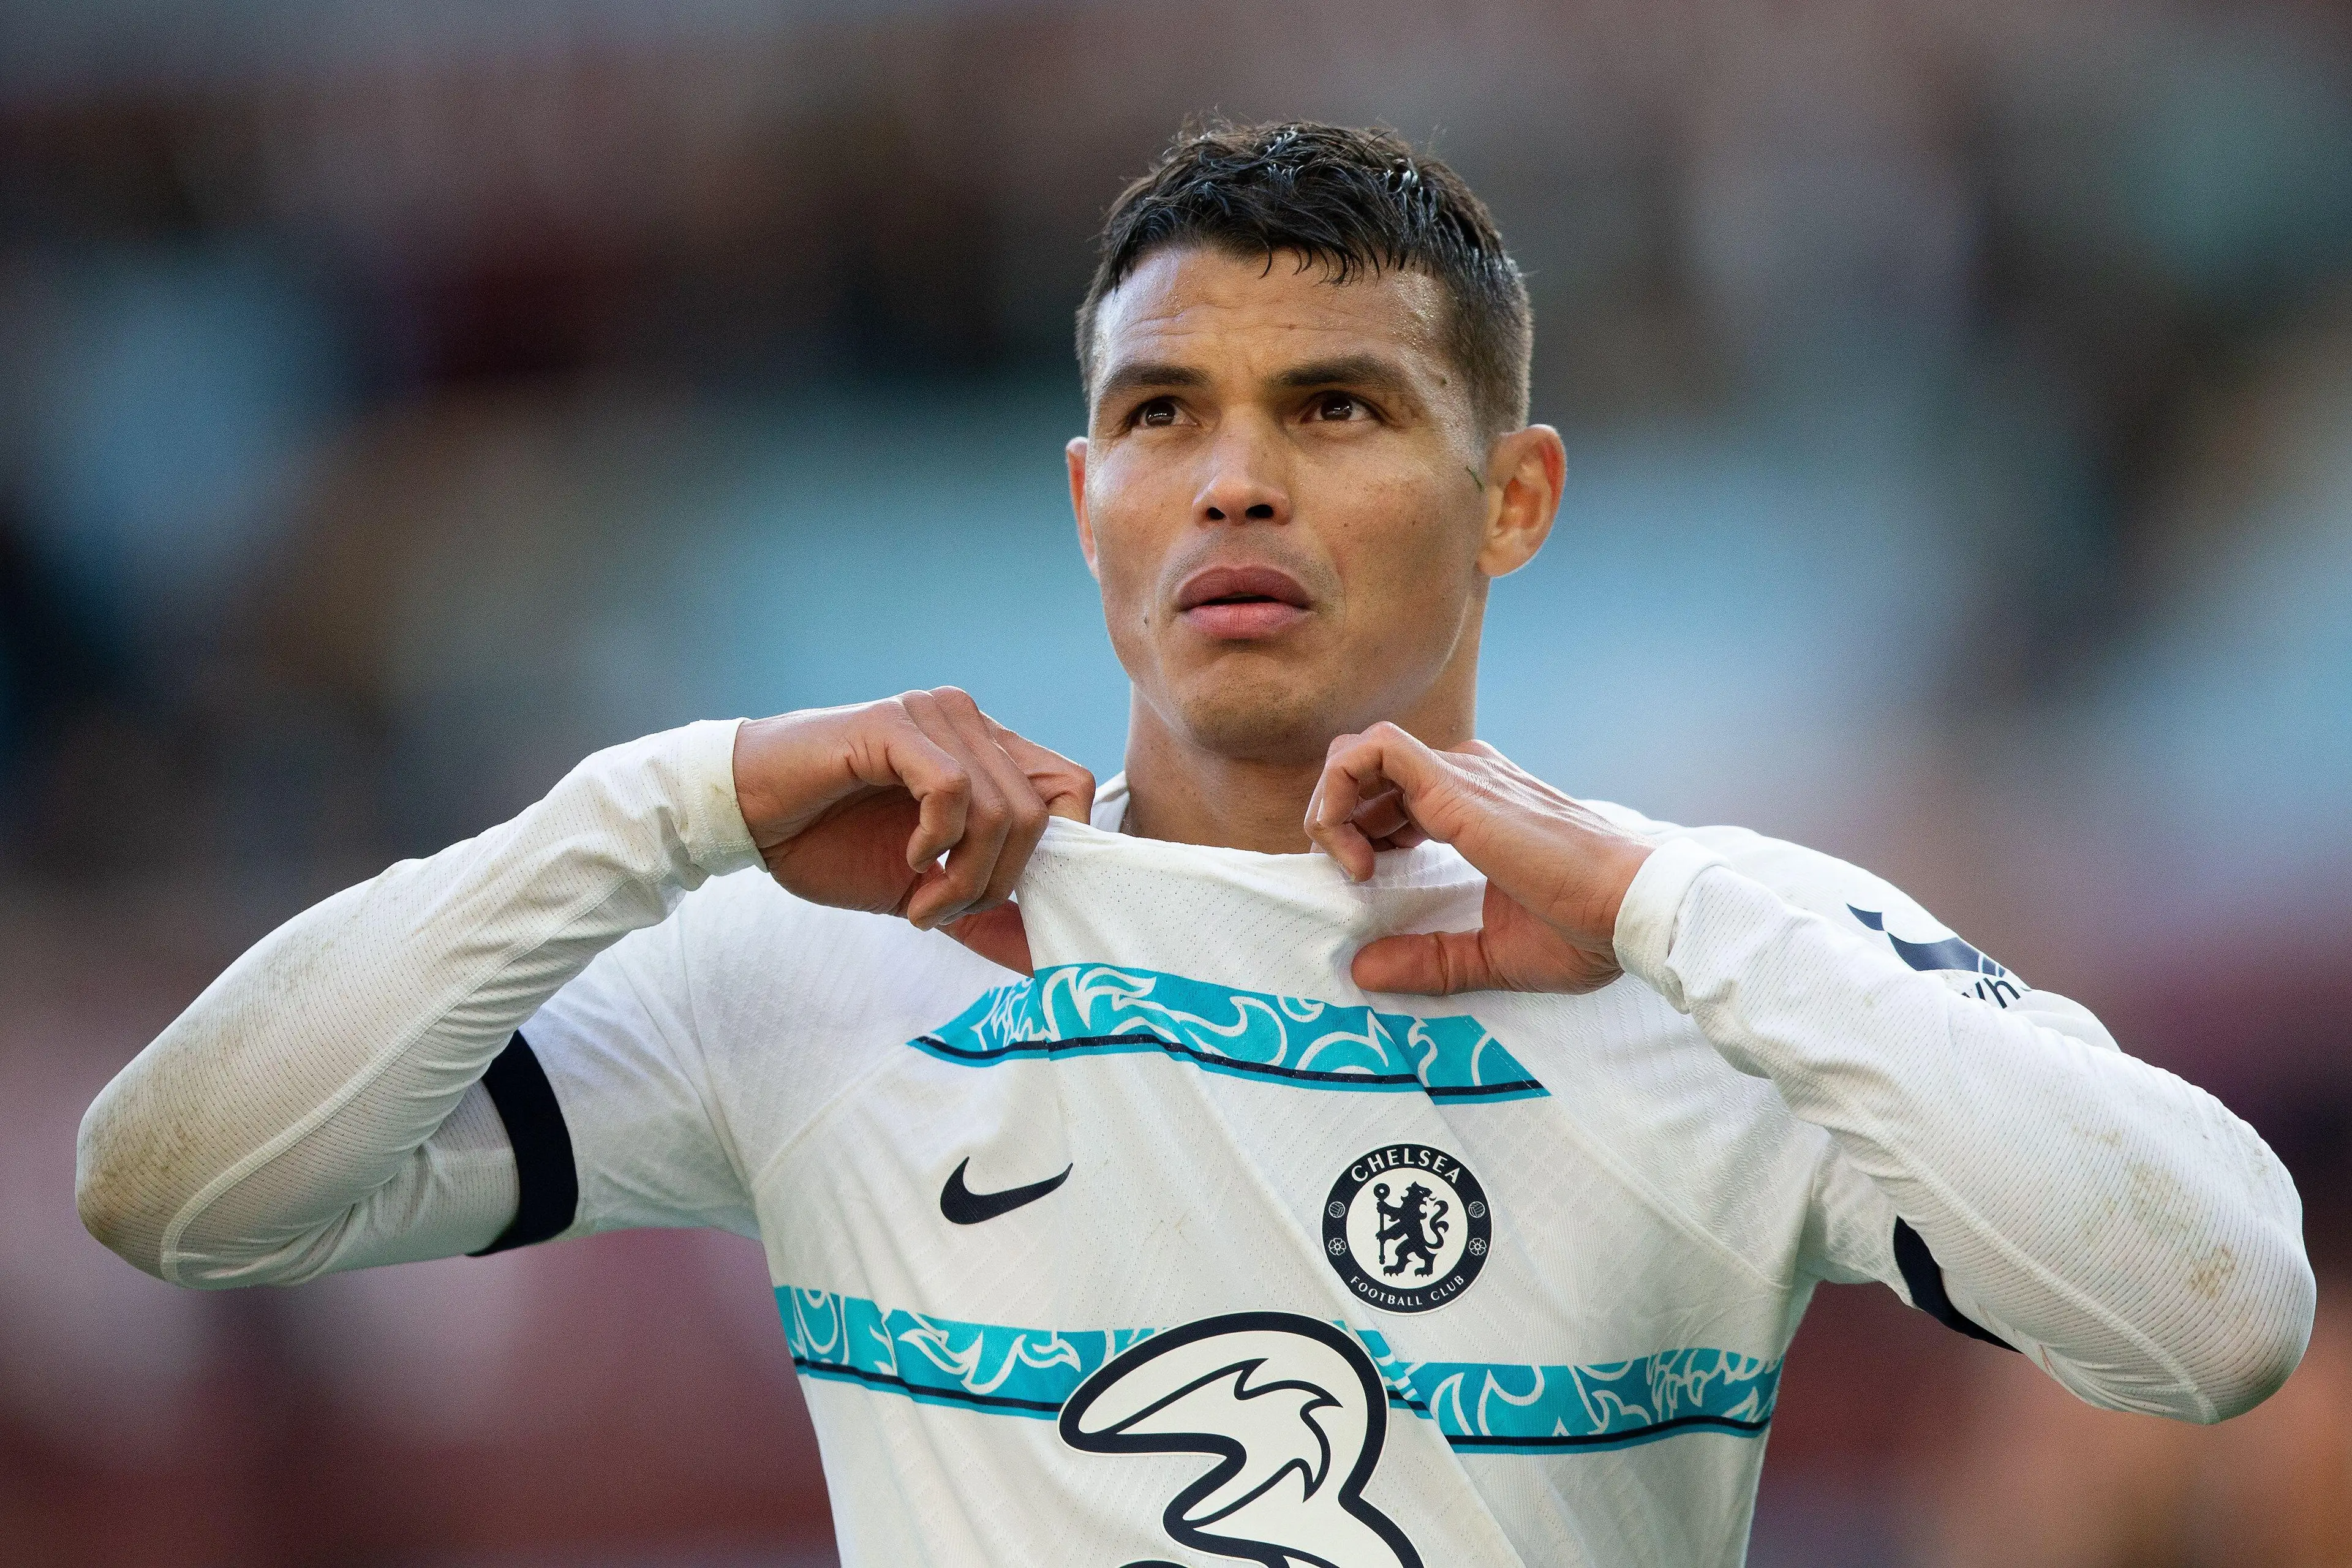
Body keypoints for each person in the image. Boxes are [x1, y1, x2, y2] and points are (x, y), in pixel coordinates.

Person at [75, 122, 2312, 1568]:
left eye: (1332, 407)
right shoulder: (851, 954)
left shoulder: (1713, 967)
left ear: (1513, 498)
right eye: (1165, 416)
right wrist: (655, 807)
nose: (1232, 481)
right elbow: (170, 1190)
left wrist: (1670, 905)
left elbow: (2217, 1315)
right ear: (1087, 501)